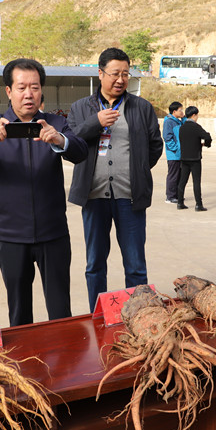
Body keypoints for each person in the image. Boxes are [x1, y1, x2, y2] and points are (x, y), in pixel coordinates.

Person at [0, 58, 87, 327]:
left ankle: (65, 364)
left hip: (54, 235)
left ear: (42, 91)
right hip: (11, 236)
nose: (29, 94)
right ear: (8, 91)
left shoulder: (55, 123)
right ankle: (24, 367)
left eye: (35, 87)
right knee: (19, 313)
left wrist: (59, 139)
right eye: (21, 87)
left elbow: (81, 151)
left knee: (61, 309)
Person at [68, 47, 163, 312]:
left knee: (135, 264)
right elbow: (71, 144)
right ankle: (98, 315)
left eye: (125, 74)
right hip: (93, 197)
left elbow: (156, 145)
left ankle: (142, 314)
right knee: (95, 264)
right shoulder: (81, 107)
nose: (120, 80)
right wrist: (94, 122)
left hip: (130, 198)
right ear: (100, 74)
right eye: (114, 74)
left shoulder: (141, 107)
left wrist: (139, 171)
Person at [177, 106, 212, 211]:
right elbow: (207, 136)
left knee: (182, 181)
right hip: (195, 159)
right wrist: (206, 144)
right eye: (197, 115)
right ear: (193, 115)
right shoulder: (196, 127)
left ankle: (180, 202)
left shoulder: (182, 128)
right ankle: (198, 205)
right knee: (196, 182)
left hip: (184, 158)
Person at [162, 101, 184, 204]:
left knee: (179, 175)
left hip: (180, 154)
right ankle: (170, 196)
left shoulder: (178, 121)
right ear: (174, 111)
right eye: (180, 110)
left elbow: (186, 126)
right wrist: (175, 148)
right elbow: (167, 137)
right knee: (173, 175)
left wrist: (183, 118)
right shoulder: (169, 122)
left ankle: (177, 195)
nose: (182, 112)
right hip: (173, 154)